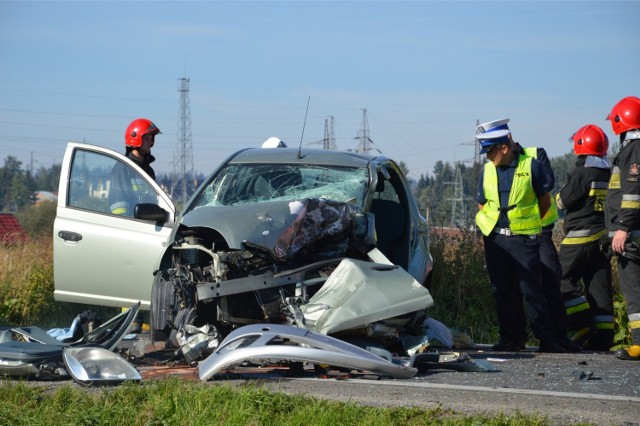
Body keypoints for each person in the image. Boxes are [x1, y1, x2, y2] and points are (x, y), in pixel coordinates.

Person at [475, 119, 566, 353]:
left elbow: (544, 203)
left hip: (524, 239)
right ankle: (511, 338)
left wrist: (526, 228)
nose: (487, 156)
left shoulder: (531, 165)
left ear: (504, 148)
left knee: (531, 291)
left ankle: (546, 338)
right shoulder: (486, 170)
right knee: (502, 290)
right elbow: (482, 203)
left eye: (490, 151)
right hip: (496, 239)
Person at [556, 124, 614, 350]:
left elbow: (563, 201)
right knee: (599, 287)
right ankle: (603, 338)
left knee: (559, 279)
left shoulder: (582, 172)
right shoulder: (610, 172)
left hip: (578, 239)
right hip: (602, 241)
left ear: (581, 146)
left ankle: (581, 323)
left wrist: (561, 191)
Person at [605, 96, 640, 361]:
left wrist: (623, 228)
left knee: (633, 289)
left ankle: (639, 343)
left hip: (633, 234)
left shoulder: (633, 150)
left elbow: (632, 193)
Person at [109, 118, 161, 216]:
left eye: (151, 139)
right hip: (130, 227)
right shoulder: (123, 167)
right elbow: (118, 205)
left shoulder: (149, 170)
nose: (151, 142)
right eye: (147, 138)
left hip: (146, 225)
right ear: (136, 138)